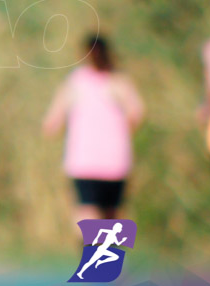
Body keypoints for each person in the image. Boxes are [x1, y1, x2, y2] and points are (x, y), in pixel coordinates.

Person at [43, 34, 144, 225]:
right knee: (113, 215)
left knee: (87, 210)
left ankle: (89, 248)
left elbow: (51, 122)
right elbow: (136, 115)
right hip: (115, 161)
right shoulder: (119, 81)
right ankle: (107, 253)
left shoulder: (76, 81)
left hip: (84, 161)